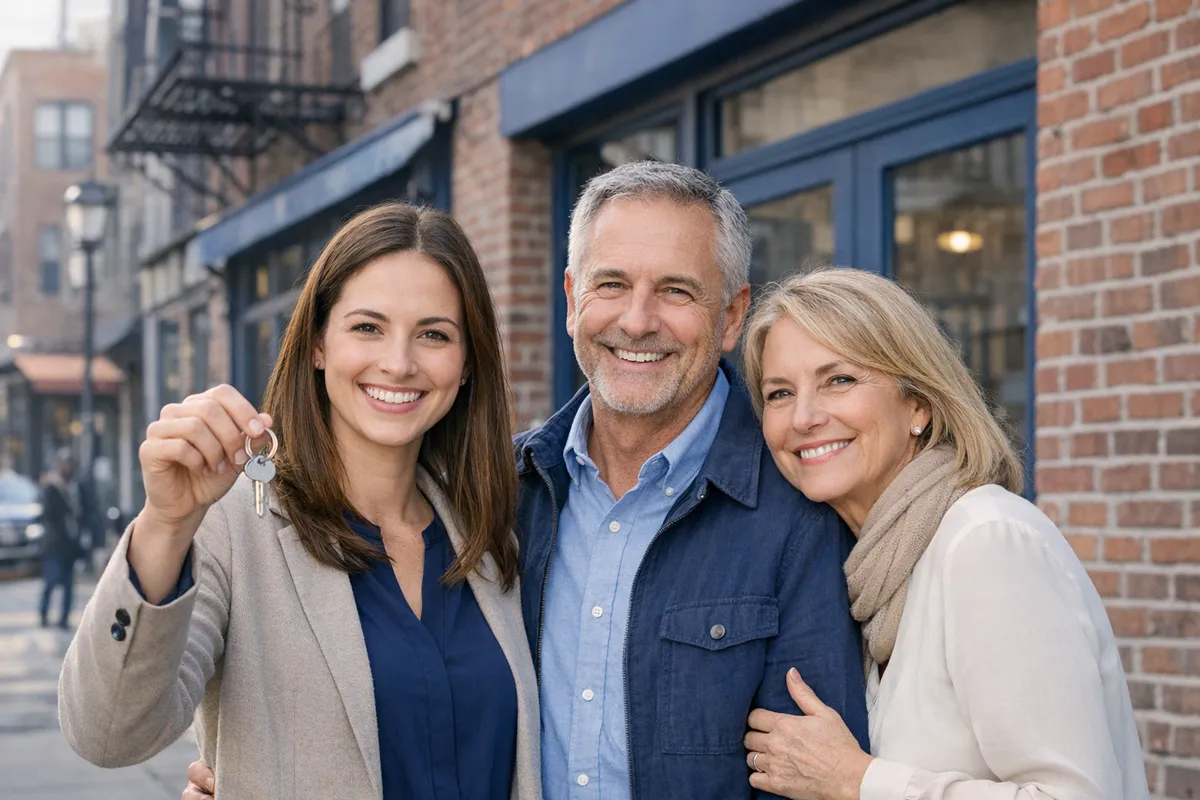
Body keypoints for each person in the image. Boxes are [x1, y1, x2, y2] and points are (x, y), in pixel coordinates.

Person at [182, 162, 868, 800]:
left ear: (729, 316)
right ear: (572, 301)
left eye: (676, 291)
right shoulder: (494, 497)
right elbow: (428, 703)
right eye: (610, 285)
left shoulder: (798, 515)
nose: (636, 320)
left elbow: (810, 782)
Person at [58, 203, 541, 800]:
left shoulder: (493, 532)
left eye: (434, 334)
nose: (398, 362)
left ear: (467, 364)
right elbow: (106, 734)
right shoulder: (236, 524)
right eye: (367, 327)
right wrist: (166, 522)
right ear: (317, 344)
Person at [739, 268, 1147, 799]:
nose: (805, 417)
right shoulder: (872, 570)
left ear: (918, 404)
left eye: (839, 380)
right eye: (779, 393)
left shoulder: (986, 543)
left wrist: (857, 781)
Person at [39, 448, 83, 629]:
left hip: (71, 545)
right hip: (54, 544)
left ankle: (64, 618)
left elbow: (84, 512)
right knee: (51, 580)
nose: (67, 467)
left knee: (68, 584)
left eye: (70, 464)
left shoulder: (77, 487)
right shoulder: (52, 487)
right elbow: (48, 513)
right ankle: (43, 613)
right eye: (64, 464)